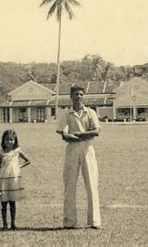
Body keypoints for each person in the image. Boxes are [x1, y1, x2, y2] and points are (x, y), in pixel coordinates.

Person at [56, 84, 101, 229]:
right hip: (72, 149)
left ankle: (94, 221)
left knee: (92, 185)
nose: (79, 97)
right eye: (76, 94)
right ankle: (69, 221)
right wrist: (70, 136)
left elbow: (96, 131)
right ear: (71, 96)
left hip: (87, 148)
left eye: (81, 94)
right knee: (69, 185)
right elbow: (63, 133)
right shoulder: (66, 113)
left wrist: (80, 135)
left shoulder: (90, 112)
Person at [0, 129, 31, 230]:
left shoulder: (17, 151)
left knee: (12, 203)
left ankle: (13, 224)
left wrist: (17, 167)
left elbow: (28, 161)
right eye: (7, 140)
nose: (9, 142)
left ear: (15, 140)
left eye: (11, 140)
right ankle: (5, 224)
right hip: (3, 179)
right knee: (4, 203)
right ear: (3, 140)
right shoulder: (0, 153)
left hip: (13, 180)